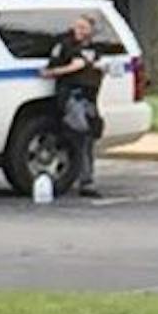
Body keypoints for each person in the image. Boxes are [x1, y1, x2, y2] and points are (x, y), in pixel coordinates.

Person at [42, 16, 106, 200]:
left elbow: (96, 66)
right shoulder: (65, 46)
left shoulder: (95, 48)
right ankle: (85, 181)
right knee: (81, 134)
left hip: (89, 99)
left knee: (89, 137)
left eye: (84, 27)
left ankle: (85, 179)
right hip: (71, 96)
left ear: (91, 30)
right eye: (78, 26)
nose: (80, 30)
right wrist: (66, 69)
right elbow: (51, 69)